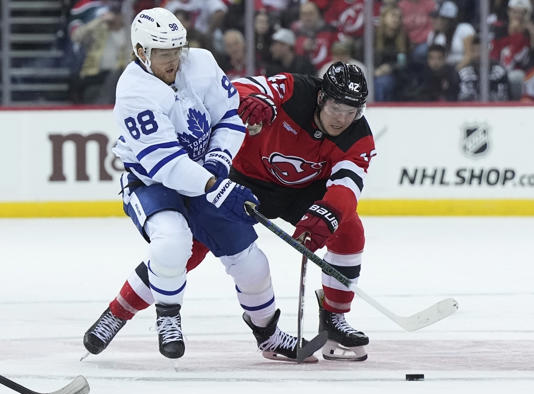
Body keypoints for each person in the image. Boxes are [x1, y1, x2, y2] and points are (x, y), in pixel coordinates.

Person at [85, 61, 375, 362]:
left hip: (301, 194)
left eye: (350, 111)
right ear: (321, 98)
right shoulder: (293, 90)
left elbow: (347, 188)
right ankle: (117, 312)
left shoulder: (359, 138)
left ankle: (335, 320)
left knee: (349, 230)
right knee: (188, 248)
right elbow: (234, 90)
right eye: (336, 107)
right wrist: (253, 100)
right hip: (243, 180)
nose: (342, 118)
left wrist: (326, 216)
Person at [83, 7, 316, 363]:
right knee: (172, 242)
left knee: (252, 265)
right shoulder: (134, 92)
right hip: (153, 181)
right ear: (142, 52)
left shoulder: (202, 63)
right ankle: (166, 317)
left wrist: (218, 163)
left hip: (205, 174)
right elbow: (167, 165)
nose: (174, 59)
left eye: (178, 49)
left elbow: (229, 117)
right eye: (164, 53)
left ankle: (268, 335)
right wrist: (216, 186)